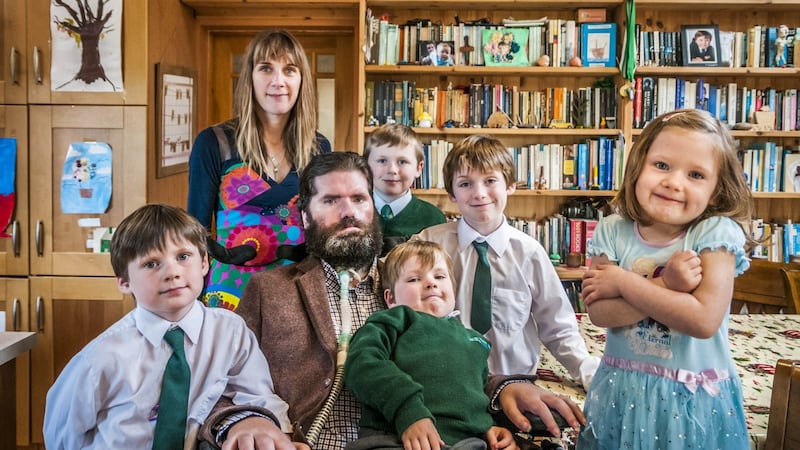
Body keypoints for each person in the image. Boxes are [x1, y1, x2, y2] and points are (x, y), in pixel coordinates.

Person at [198, 152, 583, 450]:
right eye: (331, 200)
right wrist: (245, 420)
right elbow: (217, 380)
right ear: (305, 215)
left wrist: (505, 389)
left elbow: (453, 361)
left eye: (359, 199)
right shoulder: (271, 290)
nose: (349, 212)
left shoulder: (413, 281)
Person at [43, 204, 294, 449]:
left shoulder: (230, 332)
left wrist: (266, 426)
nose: (172, 272)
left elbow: (257, 396)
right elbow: (61, 435)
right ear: (124, 282)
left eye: (183, 257)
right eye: (151, 264)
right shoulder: (100, 358)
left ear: (204, 263)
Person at [576, 109, 754, 449]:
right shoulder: (613, 230)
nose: (674, 182)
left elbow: (701, 319)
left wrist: (624, 283)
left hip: (693, 398)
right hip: (620, 392)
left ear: (716, 191)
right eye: (661, 166)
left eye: (696, 174)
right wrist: (667, 286)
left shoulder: (715, 234)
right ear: (638, 167)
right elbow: (600, 313)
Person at [414, 134, 597, 433]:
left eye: (490, 181)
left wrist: (585, 367)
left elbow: (557, 324)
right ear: (451, 194)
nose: (479, 193)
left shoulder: (529, 253)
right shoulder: (428, 243)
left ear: (510, 184)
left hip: (515, 384)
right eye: (465, 184)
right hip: (448, 385)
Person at [187, 29, 331, 311]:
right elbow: (194, 233)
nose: (278, 81)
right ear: (250, 77)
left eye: (290, 70)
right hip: (230, 293)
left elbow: (322, 229)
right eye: (266, 68)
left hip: (299, 290)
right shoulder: (214, 142)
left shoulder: (318, 147)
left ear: (302, 80)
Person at [344, 240, 517, 450]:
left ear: (453, 289)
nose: (431, 283)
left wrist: (489, 426)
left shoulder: (477, 341)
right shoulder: (394, 320)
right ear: (391, 298)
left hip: (467, 443)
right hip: (394, 439)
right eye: (415, 279)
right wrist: (407, 410)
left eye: (440, 277)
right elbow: (362, 363)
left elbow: (475, 396)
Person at [364, 124, 446, 254]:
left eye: (402, 162)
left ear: (419, 168)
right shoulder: (354, 213)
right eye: (382, 161)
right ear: (366, 166)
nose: (392, 170)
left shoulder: (434, 219)